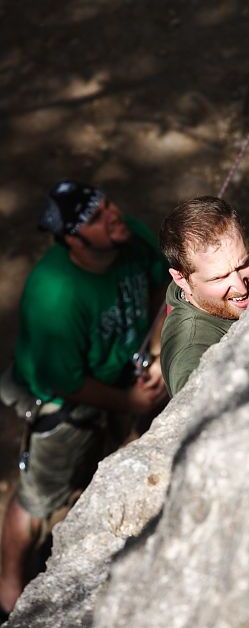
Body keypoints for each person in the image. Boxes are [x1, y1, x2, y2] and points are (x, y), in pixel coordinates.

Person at [0, 180, 169, 616]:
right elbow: (65, 382)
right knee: (38, 498)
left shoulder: (130, 237)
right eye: (96, 217)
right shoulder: (55, 293)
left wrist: (152, 347)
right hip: (64, 396)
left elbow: (158, 286)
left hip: (115, 372)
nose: (113, 215)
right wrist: (129, 402)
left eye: (108, 203)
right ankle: (11, 587)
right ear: (73, 238)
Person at [159, 196, 249, 397]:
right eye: (219, 278)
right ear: (181, 279)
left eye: (243, 264)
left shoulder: (240, 256)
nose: (241, 286)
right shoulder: (191, 350)